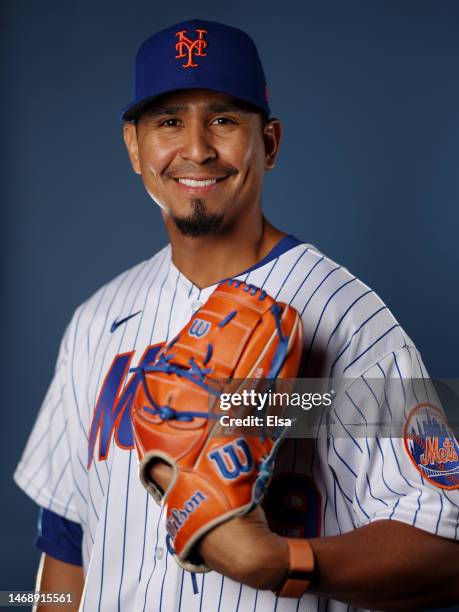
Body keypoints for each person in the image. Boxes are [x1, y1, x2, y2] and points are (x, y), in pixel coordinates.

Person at [14, 19, 459, 611]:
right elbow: (67, 543)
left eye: (223, 119)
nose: (196, 148)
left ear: (269, 143)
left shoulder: (346, 316)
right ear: (135, 147)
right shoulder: (98, 320)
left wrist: (283, 563)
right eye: (169, 121)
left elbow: (447, 549)